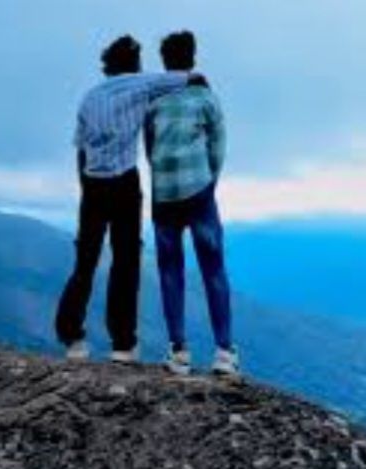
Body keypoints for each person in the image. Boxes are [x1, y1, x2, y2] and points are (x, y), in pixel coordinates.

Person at [55, 35, 195, 362]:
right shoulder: (141, 83)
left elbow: (80, 149)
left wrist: (86, 186)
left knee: (85, 261)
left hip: (92, 183)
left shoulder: (89, 97)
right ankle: (122, 344)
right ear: (134, 63)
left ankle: (72, 336)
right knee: (126, 261)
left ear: (108, 65)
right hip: (124, 185)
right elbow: (187, 77)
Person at [145, 31, 239, 376]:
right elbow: (218, 148)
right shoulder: (206, 97)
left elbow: (150, 150)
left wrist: (164, 179)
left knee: (170, 269)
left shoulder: (154, 102)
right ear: (193, 57)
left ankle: (179, 352)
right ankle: (224, 353)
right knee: (213, 268)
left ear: (165, 61)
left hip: (163, 194)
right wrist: (207, 183)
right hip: (199, 191)